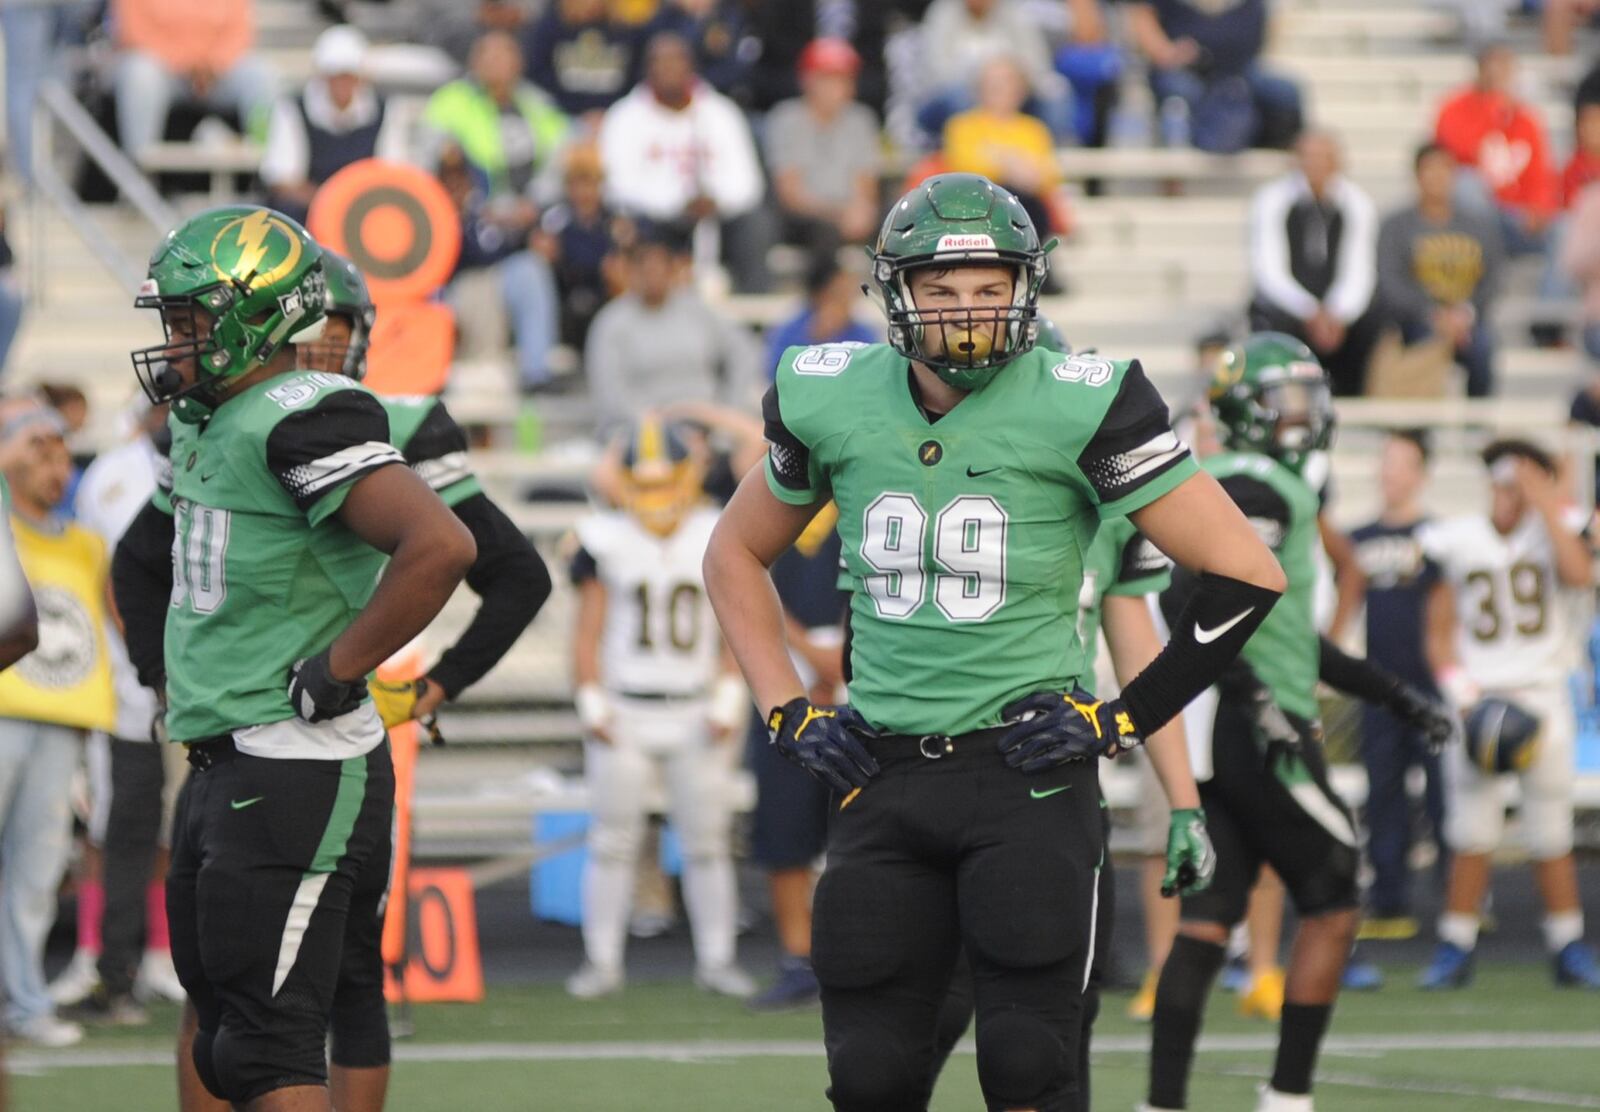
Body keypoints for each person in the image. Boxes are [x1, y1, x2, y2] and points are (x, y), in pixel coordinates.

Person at [705, 171, 1290, 1112]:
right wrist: (785, 710)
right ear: (895, 292)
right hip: (880, 770)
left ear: (1029, 288)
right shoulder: (830, 392)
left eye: (990, 286)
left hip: (1029, 773)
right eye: (941, 289)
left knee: (1028, 1062)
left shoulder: (1084, 398)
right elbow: (734, 554)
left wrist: (1123, 720)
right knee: (869, 1077)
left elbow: (1248, 573)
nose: (968, 312)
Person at [112, 206, 475, 1111]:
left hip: (293, 764)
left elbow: (441, 544)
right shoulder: (212, 417)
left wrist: (340, 664)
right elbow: (139, 560)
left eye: (191, 322)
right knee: (222, 1026)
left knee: (272, 1046)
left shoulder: (300, 413)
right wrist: (168, 679)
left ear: (250, 318)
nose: (174, 343)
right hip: (223, 755)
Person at [1144, 333, 1453, 1112]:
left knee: (1209, 922)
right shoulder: (1258, 487)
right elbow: (1187, 599)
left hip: (1234, 733)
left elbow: (1282, 634)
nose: (1304, 414)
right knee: (1336, 899)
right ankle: (1288, 1097)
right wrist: (1253, 696)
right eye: (1287, 398)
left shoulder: (1243, 481)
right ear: (1247, 409)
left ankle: (1163, 1102)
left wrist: (1394, 694)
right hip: (1268, 736)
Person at [931, 505, 1215, 1111]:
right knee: (901, 1030)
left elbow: (1140, 657)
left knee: (1056, 1025)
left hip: (1050, 789)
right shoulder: (918, 455)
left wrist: (1183, 800)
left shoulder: (1109, 489)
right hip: (926, 778)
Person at [566, 416, 754, 1000]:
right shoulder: (604, 537)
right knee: (612, 841)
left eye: (662, 480)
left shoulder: (713, 530)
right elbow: (587, 631)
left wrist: (729, 689)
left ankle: (717, 960)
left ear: (689, 473)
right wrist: (591, 697)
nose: (652, 497)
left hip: (698, 707)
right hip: (627, 708)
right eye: (639, 483)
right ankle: (602, 962)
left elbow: (734, 618)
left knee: (707, 843)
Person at [1417, 440, 1600, 991]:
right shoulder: (1460, 538)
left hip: (1543, 694)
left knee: (1549, 831)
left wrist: (1547, 501)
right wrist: (1462, 692)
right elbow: (1439, 631)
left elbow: (1577, 574)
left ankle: (1566, 943)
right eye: (1499, 482)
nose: (1504, 494)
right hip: (1480, 695)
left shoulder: (1558, 531)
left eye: (1515, 482)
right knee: (1470, 829)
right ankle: (1456, 942)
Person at [56, 401, 186, 1026]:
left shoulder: (225, 446)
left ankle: (160, 955)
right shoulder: (118, 472)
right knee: (115, 825)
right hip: (129, 683)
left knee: (177, 825)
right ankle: (100, 959)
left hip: (205, 676)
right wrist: (152, 668)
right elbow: (111, 580)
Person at [0, 399, 111, 1052]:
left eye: (62, 448)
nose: (54, 459)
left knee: (37, 875)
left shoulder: (87, 543)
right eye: (37, 446)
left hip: (62, 723)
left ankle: (25, 1002)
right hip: (4, 710)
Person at [744, 501, 848, 1012]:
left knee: (872, 835)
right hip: (784, 685)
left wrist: (846, 656)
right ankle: (797, 959)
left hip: (876, 684)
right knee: (783, 832)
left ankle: (867, 955)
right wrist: (807, 647)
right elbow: (738, 568)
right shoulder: (774, 497)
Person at [598, 32, 770, 292]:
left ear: (691, 66)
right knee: (632, 228)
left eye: (676, 61)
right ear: (648, 68)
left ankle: (753, 308)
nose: (669, 69)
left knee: (757, 224)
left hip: (718, 218)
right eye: (660, 62)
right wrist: (677, 202)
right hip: (657, 221)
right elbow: (616, 187)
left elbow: (748, 183)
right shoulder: (625, 116)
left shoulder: (720, 112)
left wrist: (716, 200)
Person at [584, 221, 761, 434]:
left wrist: (729, 406)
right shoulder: (611, 323)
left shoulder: (699, 311)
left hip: (707, 420)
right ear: (631, 272)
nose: (653, 276)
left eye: (659, 267)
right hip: (644, 428)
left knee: (756, 437)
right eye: (645, 268)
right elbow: (610, 393)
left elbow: (744, 352)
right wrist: (655, 424)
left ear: (672, 270)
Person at [1248, 131, 1381, 398]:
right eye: (1309, 158)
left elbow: (1359, 269)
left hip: (1337, 314)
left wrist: (1338, 312)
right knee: (1269, 320)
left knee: (1374, 319)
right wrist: (1309, 311)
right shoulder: (1272, 200)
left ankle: (1352, 400)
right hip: (1291, 309)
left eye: (1324, 158)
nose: (1316, 166)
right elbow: (1269, 272)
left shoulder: (1356, 203)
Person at [1376, 143, 1503, 398]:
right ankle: (1417, 431)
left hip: (1467, 321)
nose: (1436, 177)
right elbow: (1391, 282)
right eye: (1429, 170)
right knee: (1421, 346)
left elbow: (1493, 277)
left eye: (1443, 170)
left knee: (1483, 348)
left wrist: (1464, 314)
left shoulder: (1479, 225)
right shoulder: (1396, 225)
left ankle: (1476, 428)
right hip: (1415, 322)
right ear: (1416, 175)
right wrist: (1433, 314)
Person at [260, 26, 407, 226]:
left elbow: (392, 175)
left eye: (348, 75)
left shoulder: (384, 110)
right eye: (335, 75)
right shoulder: (294, 108)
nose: (342, 83)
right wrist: (332, 205)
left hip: (365, 213)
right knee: (287, 212)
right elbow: (282, 179)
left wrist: (351, 207)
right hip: (309, 212)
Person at [764, 38, 882, 267]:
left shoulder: (861, 119)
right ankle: (825, 297)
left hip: (849, 213)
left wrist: (860, 212)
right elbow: (790, 193)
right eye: (828, 78)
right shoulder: (786, 119)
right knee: (823, 232)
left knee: (895, 222)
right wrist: (838, 216)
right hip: (805, 217)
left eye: (843, 79)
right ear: (807, 80)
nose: (836, 88)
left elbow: (867, 186)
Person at [1124, 0, 1301, 152]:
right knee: (1178, 95)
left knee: (1283, 92)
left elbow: (1269, 28)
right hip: (1188, 70)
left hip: (1239, 69)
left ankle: (1278, 156)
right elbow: (1143, 17)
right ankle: (1174, 177)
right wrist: (1169, 53)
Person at [1433, 42, 1557, 259]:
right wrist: (1492, 110)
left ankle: (1553, 294)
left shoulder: (1526, 119)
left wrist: (1538, 208)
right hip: (1473, 212)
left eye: (1506, 66)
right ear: (1480, 69)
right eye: (1494, 65)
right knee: (1467, 184)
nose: (1500, 74)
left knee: (1565, 231)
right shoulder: (1453, 108)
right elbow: (1457, 155)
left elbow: (1540, 171)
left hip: (1516, 216)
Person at [421, 29, 571, 207]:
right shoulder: (450, 100)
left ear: (519, 62)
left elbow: (561, 149)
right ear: (474, 62)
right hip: (470, 202)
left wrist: (535, 202)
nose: (495, 62)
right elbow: (430, 152)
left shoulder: (537, 102)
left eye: (503, 55)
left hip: (532, 206)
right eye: (488, 55)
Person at [110, 0, 277, 158]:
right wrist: (186, 64)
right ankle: (138, 168)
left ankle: (265, 166)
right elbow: (133, 33)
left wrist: (213, 65)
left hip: (216, 74)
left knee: (261, 74)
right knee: (140, 72)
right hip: (165, 71)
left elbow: (241, 32)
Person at [916, 0, 1075, 143]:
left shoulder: (1014, 12)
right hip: (955, 97)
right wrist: (985, 83)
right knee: (958, 96)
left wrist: (1009, 84)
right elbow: (938, 74)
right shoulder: (943, 12)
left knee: (1055, 93)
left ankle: (1057, 161)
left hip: (1012, 90)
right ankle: (973, 153)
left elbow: (1037, 65)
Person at [942, 56, 1065, 239]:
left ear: (1021, 89)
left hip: (1026, 211)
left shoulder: (1034, 129)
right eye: (993, 83)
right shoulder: (962, 126)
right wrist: (1011, 165)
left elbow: (1047, 175)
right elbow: (963, 166)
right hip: (975, 211)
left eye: (1007, 82)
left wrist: (997, 158)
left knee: (1026, 206)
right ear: (979, 88)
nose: (1000, 89)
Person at [532, 144, 633, 349]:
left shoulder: (616, 221)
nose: (584, 191)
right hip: (565, 298)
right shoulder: (553, 219)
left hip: (603, 297)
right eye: (577, 183)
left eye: (590, 182)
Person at [523, 0, 645, 119]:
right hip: (561, 117)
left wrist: (610, 113)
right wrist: (574, 114)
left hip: (616, 118)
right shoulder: (550, 28)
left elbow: (636, 81)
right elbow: (537, 78)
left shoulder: (626, 31)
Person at [763, 257, 878, 377]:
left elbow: (874, 371)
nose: (848, 300)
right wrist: (817, 336)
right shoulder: (790, 331)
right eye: (840, 293)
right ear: (820, 294)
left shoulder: (861, 333)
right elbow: (775, 374)